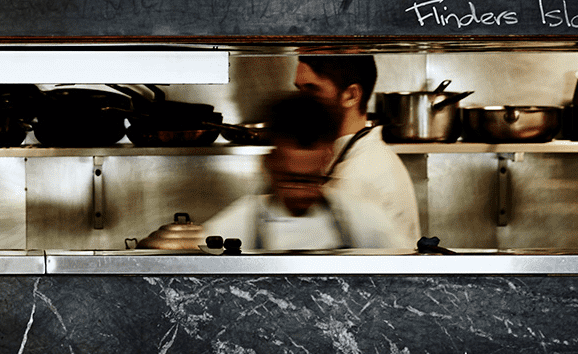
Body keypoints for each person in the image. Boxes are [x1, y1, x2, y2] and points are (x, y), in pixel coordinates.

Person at [148, 94, 413, 251]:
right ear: (270, 165)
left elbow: (404, 273)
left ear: (326, 161)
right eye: (290, 180)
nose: (301, 192)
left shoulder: (362, 219)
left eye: (312, 180)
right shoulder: (241, 222)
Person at [293, 54, 422, 242]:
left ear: (351, 95)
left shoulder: (359, 176)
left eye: (312, 91)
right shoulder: (356, 154)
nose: (299, 104)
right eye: (299, 90)